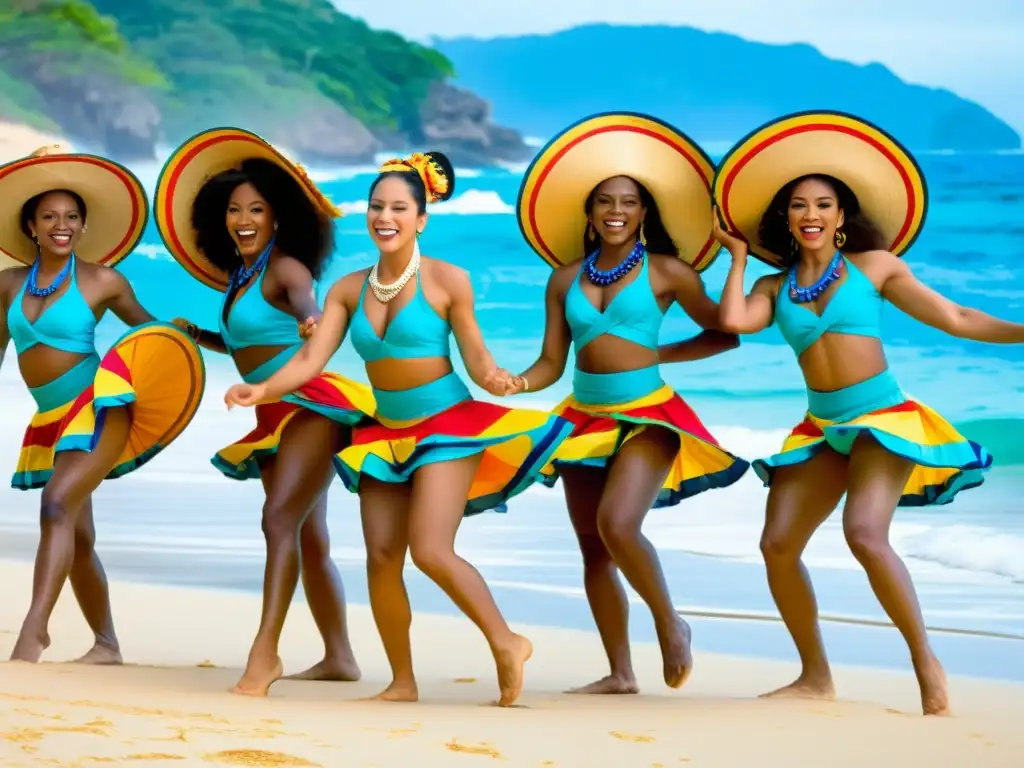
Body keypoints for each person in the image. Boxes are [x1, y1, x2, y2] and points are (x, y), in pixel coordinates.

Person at [223, 151, 572, 707]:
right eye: (376, 206)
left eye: (399, 207)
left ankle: (507, 641)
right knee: (381, 556)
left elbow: (478, 362)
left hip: (447, 426)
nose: (385, 216)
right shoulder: (347, 288)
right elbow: (312, 358)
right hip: (385, 434)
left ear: (421, 218)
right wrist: (262, 390)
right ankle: (401, 682)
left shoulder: (448, 280)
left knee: (430, 550)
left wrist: (509, 382)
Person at [712, 110, 1020, 716]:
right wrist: (739, 260)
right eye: (799, 205)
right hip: (821, 426)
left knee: (865, 535)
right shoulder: (774, 289)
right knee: (777, 545)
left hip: (882, 417)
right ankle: (814, 674)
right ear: (785, 216)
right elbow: (732, 322)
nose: (810, 215)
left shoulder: (875, 268)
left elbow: (956, 318)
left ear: (842, 216)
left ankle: (925, 662)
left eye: (823, 205)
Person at [511, 112, 748, 694]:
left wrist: (656, 352)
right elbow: (551, 362)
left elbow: (725, 332)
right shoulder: (563, 279)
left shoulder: (670, 272)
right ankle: (620, 672)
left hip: (649, 414)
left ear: (645, 214)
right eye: (604, 202)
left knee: (618, 524)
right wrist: (514, 382)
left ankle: (671, 623)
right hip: (582, 418)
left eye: (629, 202)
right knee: (593, 547)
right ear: (589, 214)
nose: (616, 210)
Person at [155, 127, 376, 696]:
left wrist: (312, 323)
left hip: (309, 403)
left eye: (256, 208)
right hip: (271, 411)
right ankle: (340, 657)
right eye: (233, 209)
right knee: (308, 535)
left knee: (278, 520)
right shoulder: (241, 275)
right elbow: (254, 346)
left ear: (279, 218)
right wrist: (203, 336)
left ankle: (264, 655)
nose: (243, 218)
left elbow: (307, 317)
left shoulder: (288, 270)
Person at [0, 146, 205, 663]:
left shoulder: (103, 281)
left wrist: (195, 338)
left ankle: (33, 634)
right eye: (49, 216)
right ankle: (107, 645)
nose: (61, 225)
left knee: (55, 506)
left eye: (71, 217)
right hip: (49, 418)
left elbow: (153, 333)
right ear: (31, 226)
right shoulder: (6, 286)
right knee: (78, 533)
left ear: (84, 226)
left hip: (99, 406)